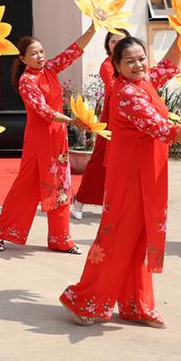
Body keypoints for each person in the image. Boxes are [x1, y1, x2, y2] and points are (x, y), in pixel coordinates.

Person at [60, 33, 181, 328]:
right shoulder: (127, 94)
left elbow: (168, 66)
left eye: (142, 58)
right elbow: (164, 130)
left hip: (149, 171)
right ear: (116, 66)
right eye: (130, 61)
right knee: (118, 238)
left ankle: (136, 304)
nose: (138, 65)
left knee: (141, 237)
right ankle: (84, 300)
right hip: (130, 176)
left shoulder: (143, 82)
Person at [0, 23, 97, 254]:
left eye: (41, 51)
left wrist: (92, 30)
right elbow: (43, 110)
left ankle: (61, 239)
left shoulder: (49, 68)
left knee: (61, 185)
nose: (39, 56)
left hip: (57, 137)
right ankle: (1, 231)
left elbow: (73, 51)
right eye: (34, 53)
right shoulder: (27, 81)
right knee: (26, 188)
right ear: (23, 59)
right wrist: (71, 121)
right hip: (39, 139)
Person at [71, 31, 126, 220]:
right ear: (108, 45)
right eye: (113, 41)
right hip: (111, 120)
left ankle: (116, 205)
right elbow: (115, 89)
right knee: (99, 162)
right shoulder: (107, 65)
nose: (117, 44)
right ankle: (79, 201)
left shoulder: (132, 63)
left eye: (121, 41)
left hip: (130, 118)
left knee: (124, 166)